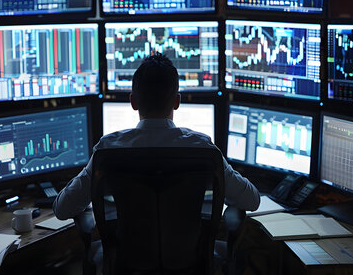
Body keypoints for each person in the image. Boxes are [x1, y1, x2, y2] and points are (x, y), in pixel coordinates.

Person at [53, 53, 260, 220]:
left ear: (133, 102)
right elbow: (252, 201)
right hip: (189, 261)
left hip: (128, 263)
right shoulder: (203, 149)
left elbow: (62, 209)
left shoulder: (107, 150)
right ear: (177, 101)